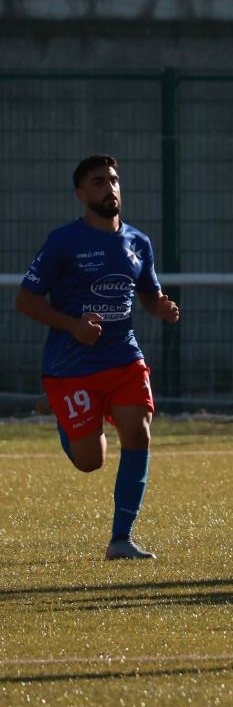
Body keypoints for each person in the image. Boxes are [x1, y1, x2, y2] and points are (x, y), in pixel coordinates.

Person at [15, 154, 182, 560]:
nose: (109, 187)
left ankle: (120, 540)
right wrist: (72, 325)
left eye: (113, 179)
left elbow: (147, 292)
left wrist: (159, 307)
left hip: (123, 356)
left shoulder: (137, 241)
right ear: (81, 193)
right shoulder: (64, 242)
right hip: (72, 365)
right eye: (97, 182)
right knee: (90, 461)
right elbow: (25, 299)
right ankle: (64, 415)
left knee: (139, 430)